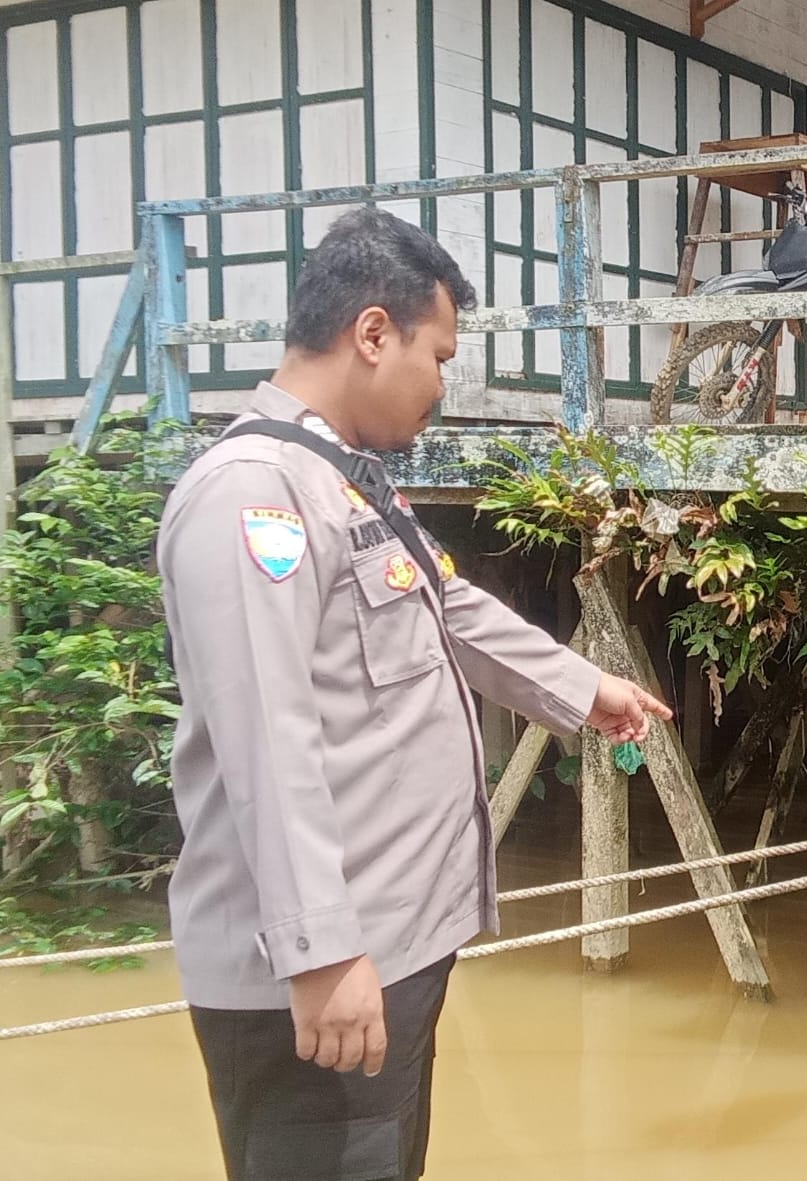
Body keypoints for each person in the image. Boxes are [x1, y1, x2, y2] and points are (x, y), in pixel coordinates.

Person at [156, 206, 670, 1181]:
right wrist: (319, 951)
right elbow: (268, 735)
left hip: (383, 952)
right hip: (315, 979)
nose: (443, 382)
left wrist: (581, 685)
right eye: (438, 355)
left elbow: (447, 605)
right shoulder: (252, 496)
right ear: (373, 333)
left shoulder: (342, 482)